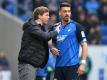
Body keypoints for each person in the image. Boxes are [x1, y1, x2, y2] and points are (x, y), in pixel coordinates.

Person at [18, 6, 59, 80]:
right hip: (28, 65)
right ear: (39, 16)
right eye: (46, 15)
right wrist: (56, 31)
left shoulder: (39, 28)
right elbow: (45, 36)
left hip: (33, 66)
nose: (49, 17)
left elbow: (45, 36)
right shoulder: (32, 26)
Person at [50, 2, 88, 80]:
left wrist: (83, 63)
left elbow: (84, 45)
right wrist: (52, 48)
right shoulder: (54, 27)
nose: (67, 13)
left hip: (72, 67)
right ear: (60, 13)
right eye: (65, 11)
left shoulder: (77, 26)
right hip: (58, 67)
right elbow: (53, 44)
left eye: (69, 11)